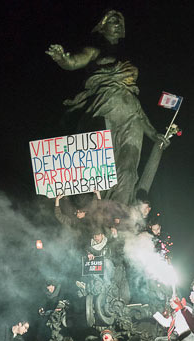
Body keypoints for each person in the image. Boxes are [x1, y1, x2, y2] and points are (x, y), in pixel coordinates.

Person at [47, 11, 169, 205]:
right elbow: (73, 62)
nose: (118, 24)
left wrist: (153, 133)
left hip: (132, 115)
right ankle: (98, 215)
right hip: (104, 109)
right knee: (104, 168)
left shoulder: (127, 57)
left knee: (128, 170)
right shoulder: (94, 51)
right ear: (102, 26)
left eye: (120, 22)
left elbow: (134, 104)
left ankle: (119, 217)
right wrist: (62, 58)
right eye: (112, 21)